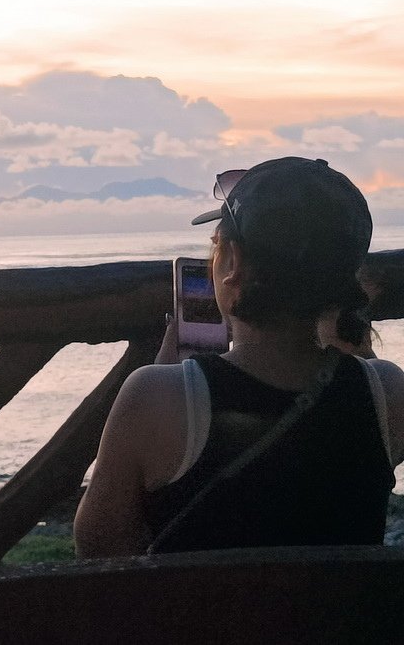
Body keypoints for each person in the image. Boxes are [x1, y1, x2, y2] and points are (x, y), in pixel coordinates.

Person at [73, 157, 404, 558]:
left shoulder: (155, 397)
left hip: (203, 621)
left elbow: (99, 548)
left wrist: (168, 378)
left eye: (216, 247)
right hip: (340, 621)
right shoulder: (386, 391)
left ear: (232, 262)